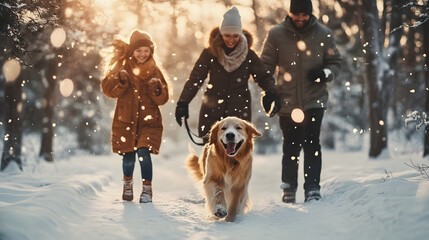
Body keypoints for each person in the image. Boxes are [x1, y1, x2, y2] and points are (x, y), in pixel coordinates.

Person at [260, 0, 342, 203]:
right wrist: (269, 91)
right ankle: (289, 187)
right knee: (290, 146)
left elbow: (335, 63)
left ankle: (312, 187)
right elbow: (265, 66)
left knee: (312, 144)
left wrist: (325, 73)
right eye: (296, 14)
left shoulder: (323, 33)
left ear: (310, 14)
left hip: (314, 100)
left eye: (303, 15)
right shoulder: (276, 34)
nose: (300, 18)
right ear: (290, 13)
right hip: (286, 102)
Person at [175, 6, 281, 142]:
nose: (231, 39)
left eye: (235, 36)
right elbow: (195, 79)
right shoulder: (210, 53)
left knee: (236, 158)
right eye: (227, 35)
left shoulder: (248, 55)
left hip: (239, 115)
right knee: (212, 156)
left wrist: (272, 92)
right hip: (212, 112)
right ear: (221, 33)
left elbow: (263, 77)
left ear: (240, 34)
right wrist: (183, 102)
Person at [101, 30, 169, 203]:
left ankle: (147, 190)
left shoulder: (155, 70)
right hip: (125, 121)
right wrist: (121, 82)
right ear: (132, 52)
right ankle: (128, 184)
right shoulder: (122, 68)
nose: (142, 54)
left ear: (151, 51)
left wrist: (157, 88)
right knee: (129, 156)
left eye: (146, 50)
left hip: (149, 122)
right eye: (139, 50)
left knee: (144, 152)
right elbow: (109, 91)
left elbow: (163, 98)